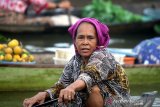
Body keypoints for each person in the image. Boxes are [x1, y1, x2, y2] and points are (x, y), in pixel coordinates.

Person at [23, 18, 130, 107]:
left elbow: (89, 75)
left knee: (93, 89)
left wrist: (71, 87)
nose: (85, 42)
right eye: (81, 38)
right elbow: (62, 84)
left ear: (97, 40)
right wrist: (44, 94)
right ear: (75, 40)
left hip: (117, 102)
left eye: (90, 38)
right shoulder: (75, 60)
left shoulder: (103, 55)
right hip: (86, 100)